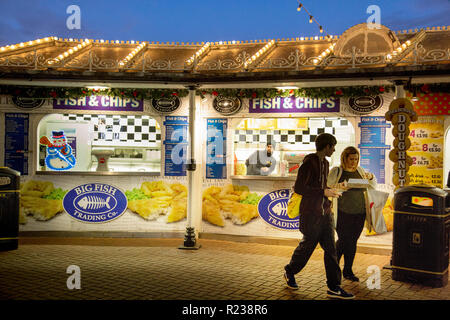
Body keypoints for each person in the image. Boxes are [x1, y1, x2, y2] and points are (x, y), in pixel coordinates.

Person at [283, 133, 355, 299]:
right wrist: (323, 191)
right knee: (307, 248)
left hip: (325, 213)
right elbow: (300, 188)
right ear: (326, 146)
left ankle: (334, 287)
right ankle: (290, 270)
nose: (334, 149)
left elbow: (321, 187)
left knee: (331, 251)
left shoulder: (325, 163)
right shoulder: (309, 163)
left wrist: (333, 189)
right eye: (333, 146)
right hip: (311, 214)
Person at [327, 146, 377, 282]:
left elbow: (372, 186)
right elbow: (328, 186)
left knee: (353, 241)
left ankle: (348, 270)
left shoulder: (360, 171)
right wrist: (341, 186)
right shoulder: (337, 171)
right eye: (351, 159)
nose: (354, 162)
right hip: (343, 212)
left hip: (360, 212)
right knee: (343, 240)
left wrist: (371, 177)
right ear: (345, 158)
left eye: (356, 159)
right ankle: (333, 269)